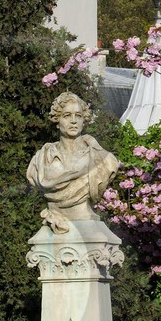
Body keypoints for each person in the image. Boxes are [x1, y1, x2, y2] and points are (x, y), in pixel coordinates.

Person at [26, 93, 120, 233]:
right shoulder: (41, 159)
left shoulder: (104, 160)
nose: (74, 121)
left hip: (86, 222)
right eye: (67, 115)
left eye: (78, 116)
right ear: (57, 121)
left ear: (84, 120)